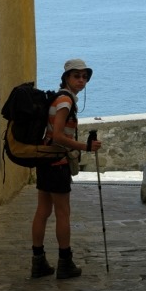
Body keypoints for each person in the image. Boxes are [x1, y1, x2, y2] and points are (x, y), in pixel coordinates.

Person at [31, 59, 102, 279]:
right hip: (57, 162)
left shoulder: (59, 98)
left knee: (43, 210)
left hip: (45, 160)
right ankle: (65, 262)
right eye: (76, 76)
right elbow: (59, 135)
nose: (81, 81)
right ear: (66, 78)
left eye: (84, 77)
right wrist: (86, 147)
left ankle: (38, 262)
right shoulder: (65, 101)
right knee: (63, 213)